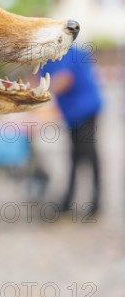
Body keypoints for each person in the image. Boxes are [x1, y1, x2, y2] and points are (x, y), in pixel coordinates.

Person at [40, 44, 103, 213]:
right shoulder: (44, 56)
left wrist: (40, 93)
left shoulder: (65, 51)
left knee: (88, 154)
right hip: (72, 113)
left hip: (85, 109)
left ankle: (95, 202)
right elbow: (39, 79)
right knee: (75, 156)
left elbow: (64, 79)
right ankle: (69, 200)